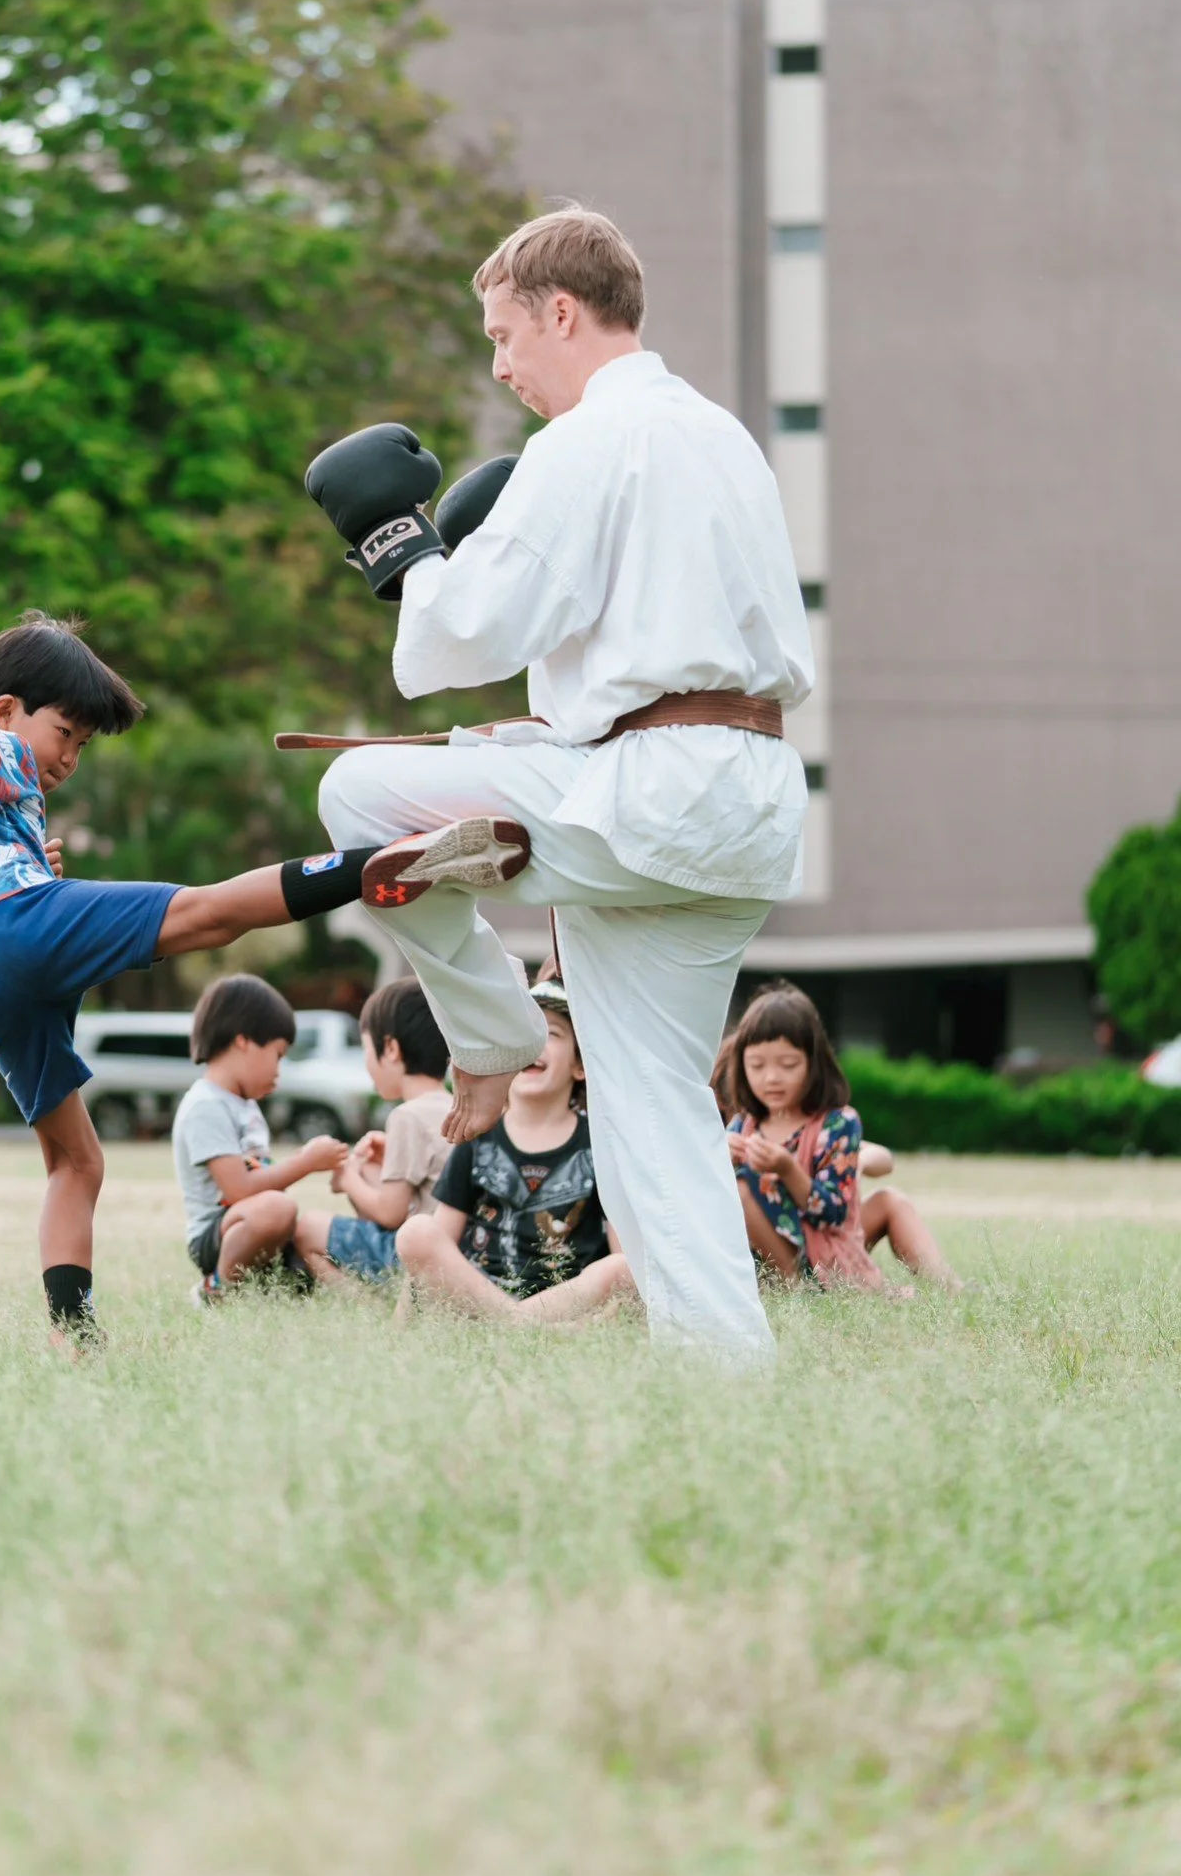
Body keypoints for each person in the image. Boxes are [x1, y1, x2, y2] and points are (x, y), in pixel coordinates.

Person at [306, 206, 813, 1358]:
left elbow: (461, 636)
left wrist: (403, 549)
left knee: (359, 801)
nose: (499, 364)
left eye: (502, 334)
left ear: (563, 313)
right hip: (738, 798)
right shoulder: (724, 437)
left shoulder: (589, 441)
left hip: (653, 794)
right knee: (653, 1109)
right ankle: (723, 1370)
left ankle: (485, 1034)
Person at [0, 613, 528, 1344]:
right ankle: (382, 860)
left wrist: (29, 866)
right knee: (205, 913)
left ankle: (73, 1338)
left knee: (77, 1161)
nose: (70, 757)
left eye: (82, 745)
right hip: (14, 925)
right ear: (9, 710)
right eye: (67, 733)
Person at [396, 979, 636, 1323]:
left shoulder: (599, 1146)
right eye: (523, 1033)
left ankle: (514, 1325)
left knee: (624, 1267)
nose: (533, 1043)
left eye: (550, 1033)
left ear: (580, 1066)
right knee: (416, 1232)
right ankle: (518, 1325)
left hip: (562, 1304)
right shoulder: (478, 1134)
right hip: (478, 1296)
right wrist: (399, 1329)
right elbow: (437, 1242)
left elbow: (622, 1255)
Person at [171, 974, 347, 1301]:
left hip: (256, 1222)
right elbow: (239, 1190)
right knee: (276, 1209)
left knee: (313, 1232)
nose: (279, 1069)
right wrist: (306, 1162)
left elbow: (260, 1174)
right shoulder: (206, 1105)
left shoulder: (244, 1105)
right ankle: (215, 1291)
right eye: (278, 1054)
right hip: (219, 1235)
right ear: (244, 1042)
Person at [718, 982, 885, 1290]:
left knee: (742, 1191)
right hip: (758, 1265)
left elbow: (833, 1214)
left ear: (813, 1063)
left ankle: (799, 1288)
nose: (771, 1078)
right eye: (757, 1065)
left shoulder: (839, 1124)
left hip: (822, 1263)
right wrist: (718, 1160)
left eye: (788, 1064)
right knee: (733, 1187)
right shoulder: (744, 1125)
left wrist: (787, 1169)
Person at [294, 976, 455, 1284]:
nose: (366, 1062)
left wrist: (348, 1177)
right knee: (370, 1171)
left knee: (308, 1228)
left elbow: (390, 1213)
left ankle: (367, 1306)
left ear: (391, 1048)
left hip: (420, 1258)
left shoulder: (407, 1116)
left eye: (367, 1048)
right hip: (456, 1251)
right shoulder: (453, 1108)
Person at [852, 1140, 964, 1289]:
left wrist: (858, 1161)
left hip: (834, 1230)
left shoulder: (828, 1130)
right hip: (814, 1238)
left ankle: (948, 1286)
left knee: (889, 1200)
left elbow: (885, 1159)